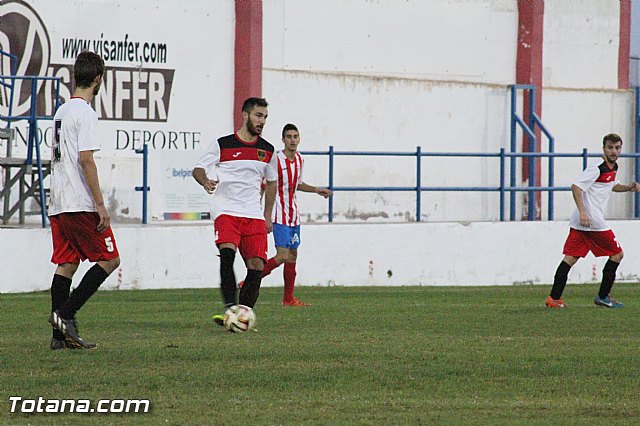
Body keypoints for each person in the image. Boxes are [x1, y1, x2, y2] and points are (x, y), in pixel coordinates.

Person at [47, 51, 121, 349]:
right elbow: (86, 159)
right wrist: (100, 204)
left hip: (59, 200)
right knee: (110, 259)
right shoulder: (85, 113)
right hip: (79, 201)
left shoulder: (61, 112)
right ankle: (64, 316)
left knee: (66, 263)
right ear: (99, 78)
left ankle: (58, 338)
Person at [192, 97, 277, 325]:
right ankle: (230, 309)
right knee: (227, 254)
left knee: (257, 266)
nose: (262, 121)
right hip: (226, 210)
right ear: (245, 115)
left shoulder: (268, 150)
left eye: (265, 117)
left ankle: (243, 313)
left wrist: (267, 215)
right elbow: (198, 169)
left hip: (253, 214)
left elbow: (272, 183)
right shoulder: (223, 144)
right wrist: (205, 181)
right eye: (259, 116)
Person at [241, 124, 332, 306]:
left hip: (293, 216)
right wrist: (259, 210)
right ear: (283, 139)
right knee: (282, 255)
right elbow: (265, 184)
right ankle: (249, 280)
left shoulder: (299, 160)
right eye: (289, 136)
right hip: (278, 214)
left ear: (299, 139)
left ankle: (288, 298)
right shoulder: (276, 159)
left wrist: (316, 190)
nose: (292, 140)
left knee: (293, 255)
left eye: (295, 136)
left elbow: (297, 183)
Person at [546, 133, 640, 309]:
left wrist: (629, 187)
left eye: (617, 148)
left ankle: (554, 298)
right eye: (610, 147)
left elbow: (612, 185)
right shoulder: (597, 167)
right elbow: (576, 187)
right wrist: (583, 212)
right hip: (592, 220)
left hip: (582, 222)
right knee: (617, 254)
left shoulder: (612, 168)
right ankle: (603, 296)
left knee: (570, 258)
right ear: (603, 148)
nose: (614, 151)